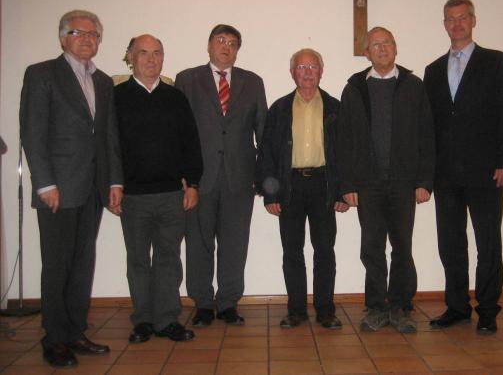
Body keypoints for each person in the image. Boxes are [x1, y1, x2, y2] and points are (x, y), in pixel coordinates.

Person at [19, 10, 123, 367]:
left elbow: (109, 136)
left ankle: (76, 331)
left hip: (92, 187)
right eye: (79, 33)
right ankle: (55, 338)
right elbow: (33, 132)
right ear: (63, 37)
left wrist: (114, 181)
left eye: (94, 34)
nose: (87, 39)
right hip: (58, 189)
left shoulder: (104, 81)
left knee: (82, 263)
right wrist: (45, 183)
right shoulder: (42, 74)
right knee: (57, 265)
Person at [424, 0, 503, 334]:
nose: (457, 23)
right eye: (451, 18)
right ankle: (457, 306)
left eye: (463, 17)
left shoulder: (497, 62)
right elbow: (430, 125)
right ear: (444, 24)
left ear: (473, 20)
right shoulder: (433, 70)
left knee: (488, 243)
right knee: (450, 244)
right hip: (446, 174)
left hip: (486, 171)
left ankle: (488, 310)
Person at [337, 26, 435, 333]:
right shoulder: (354, 88)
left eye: (387, 43)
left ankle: (401, 307)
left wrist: (424, 180)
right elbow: (344, 140)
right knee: (372, 248)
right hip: (368, 184)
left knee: (402, 247)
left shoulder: (413, 86)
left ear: (395, 48)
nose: (382, 48)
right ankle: (377, 307)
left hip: (403, 182)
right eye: (376, 45)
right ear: (366, 53)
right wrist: (347, 185)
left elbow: (426, 134)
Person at [175, 24, 267, 326]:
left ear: (238, 50)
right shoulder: (187, 79)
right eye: (221, 40)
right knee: (198, 243)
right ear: (209, 45)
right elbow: (179, 131)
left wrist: (262, 177)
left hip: (239, 178)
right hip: (199, 179)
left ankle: (228, 302)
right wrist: (184, 177)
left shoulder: (253, 82)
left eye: (232, 43)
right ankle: (202, 303)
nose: (226, 47)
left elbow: (263, 132)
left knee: (234, 243)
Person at [114, 34, 203, 343]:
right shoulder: (116, 97)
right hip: (133, 196)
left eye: (157, 53)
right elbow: (109, 147)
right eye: (143, 53)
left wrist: (193, 183)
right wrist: (113, 185)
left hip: (171, 195)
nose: (151, 59)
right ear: (130, 57)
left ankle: (166, 320)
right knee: (138, 260)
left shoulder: (175, 98)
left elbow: (190, 143)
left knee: (168, 259)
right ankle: (143, 321)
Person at [256, 48, 348, 330]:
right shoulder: (279, 109)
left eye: (313, 67)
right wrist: (270, 194)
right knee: (292, 251)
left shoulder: (335, 108)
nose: (307, 72)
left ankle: (325, 311)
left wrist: (343, 191)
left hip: (323, 185)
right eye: (301, 67)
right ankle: (296, 310)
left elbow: (346, 152)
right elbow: (267, 153)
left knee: (325, 250)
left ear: (322, 71)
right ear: (292, 73)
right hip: (290, 186)